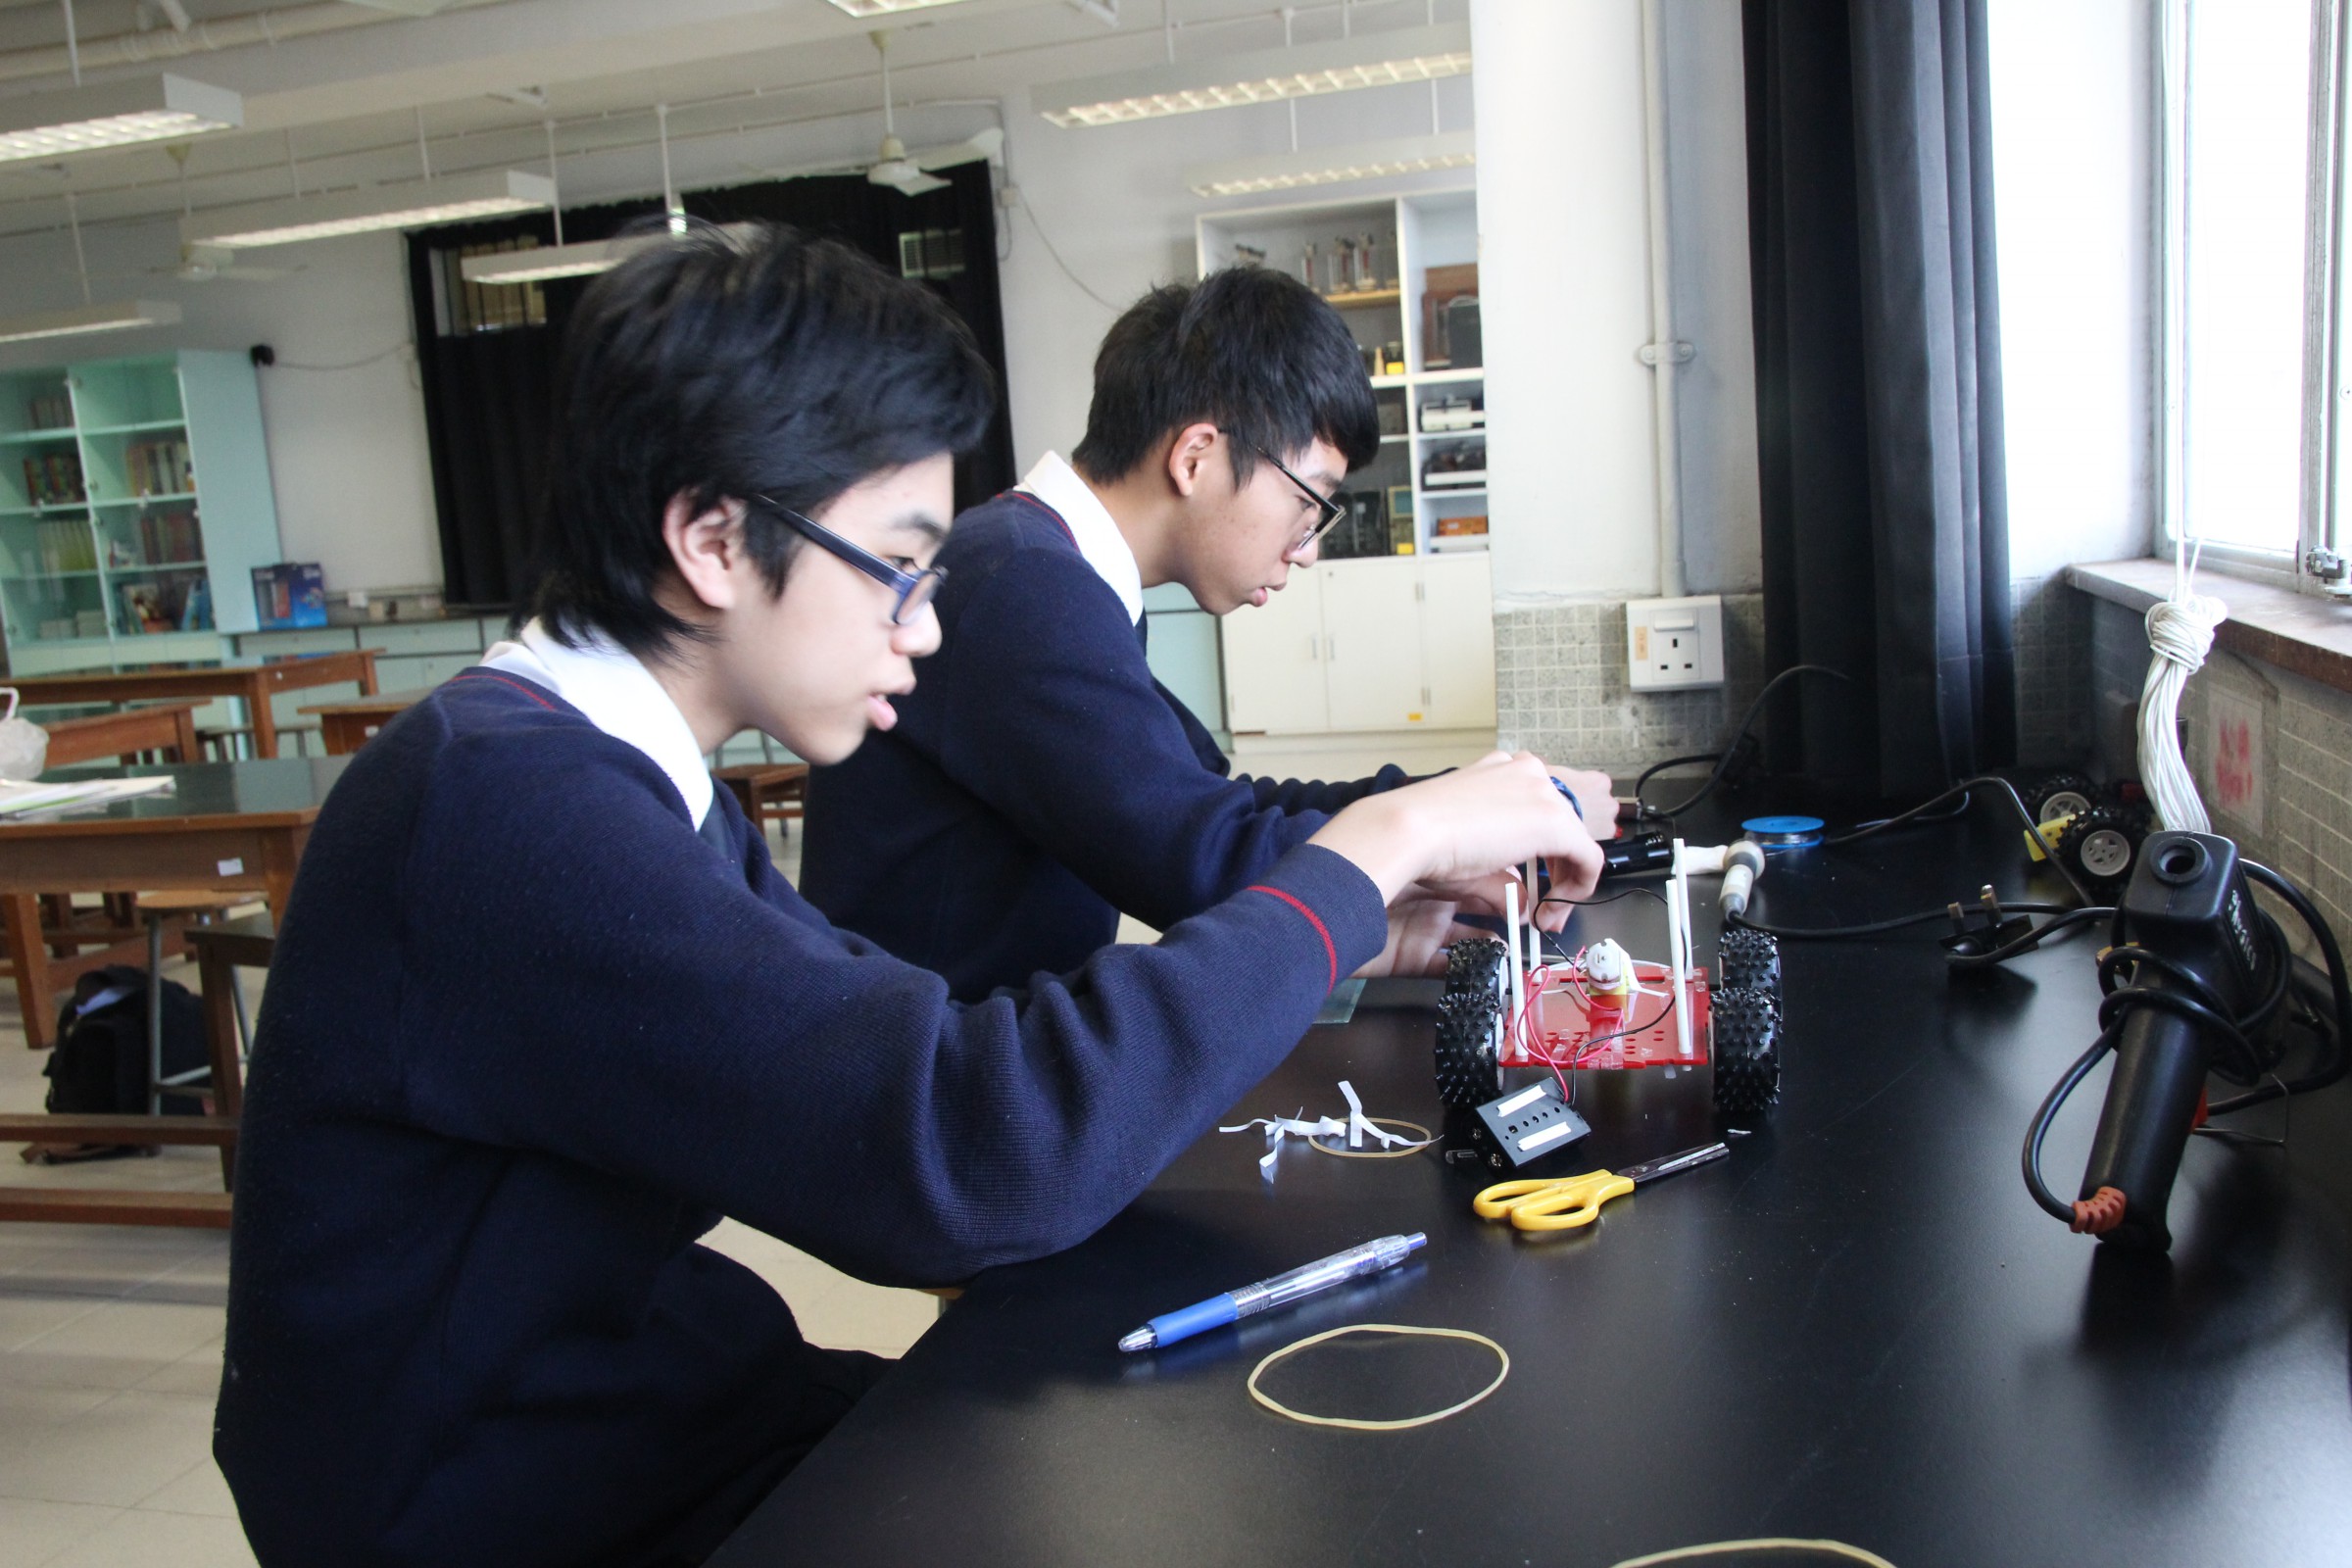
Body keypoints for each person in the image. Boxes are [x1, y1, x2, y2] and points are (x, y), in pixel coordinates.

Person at [213, 225, 1599, 1568]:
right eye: (896, 565)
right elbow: (965, 1149)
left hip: (633, 1394)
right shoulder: (510, 807)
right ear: (711, 538)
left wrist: (1368, 913)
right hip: (491, 1498)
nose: (927, 625)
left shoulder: (607, 772)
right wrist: (1371, 854)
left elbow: (912, 1064)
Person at [800, 267, 1616, 1002]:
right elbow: (1202, 863)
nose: (1309, 546)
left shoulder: (1052, 567)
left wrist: (1472, 798)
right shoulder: (1023, 583)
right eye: (1310, 499)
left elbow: (1216, 803)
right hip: (942, 1077)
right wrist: (1446, 824)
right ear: (1196, 456)